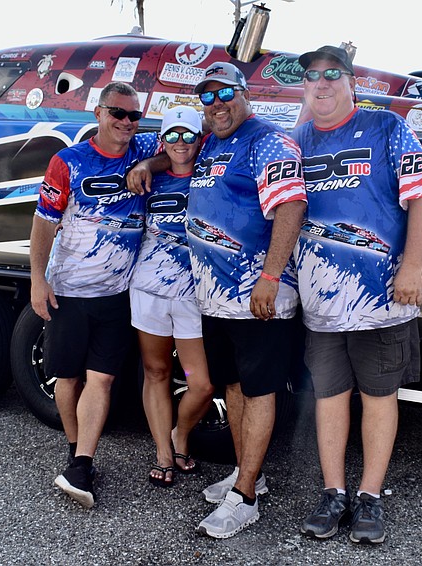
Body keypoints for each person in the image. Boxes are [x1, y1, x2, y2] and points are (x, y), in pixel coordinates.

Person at [128, 61, 307, 539]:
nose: (216, 105)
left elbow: (291, 206)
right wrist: (149, 163)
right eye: (206, 97)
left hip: (257, 297)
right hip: (213, 299)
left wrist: (270, 276)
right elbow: (175, 152)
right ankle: (248, 471)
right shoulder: (213, 143)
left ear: (243, 93)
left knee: (260, 391)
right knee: (232, 388)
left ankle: (244, 496)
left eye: (224, 93)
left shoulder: (267, 141)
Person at [293, 46, 422, 544]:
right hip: (319, 304)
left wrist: (413, 267)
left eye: (332, 74)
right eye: (312, 76)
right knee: (329, 397)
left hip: (382, 300)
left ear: (350, 81)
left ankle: (370, 497)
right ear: (305, 86)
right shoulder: (296, 139)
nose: (322, 84)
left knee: (379, 397)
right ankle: (334, 492)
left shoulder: (386, 127)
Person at [29, 81, 158, 509]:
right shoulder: (68, 161)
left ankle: (83, 463)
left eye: (133, 115)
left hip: (118, 294)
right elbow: (44, 222)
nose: (126, 122)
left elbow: (186, 147)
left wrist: (150, 165)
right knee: (68, 378)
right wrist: (37, 279)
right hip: (69, 290)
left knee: (102, 378)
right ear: (98, 114)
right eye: (117, 113)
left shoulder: (144, 148)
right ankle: (74, 449)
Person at [129, 105, 214, 488]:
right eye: (174, 136)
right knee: (157, 372)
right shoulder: (150, 178)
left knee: (201, 383)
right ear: (163, 140)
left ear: (200, 140)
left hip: (193, 296)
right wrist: (149, 163)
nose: (181, 143)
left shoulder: (211, 175)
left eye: (189, 136)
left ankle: (180, 433)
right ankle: (163, 452)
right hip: (148, 290)